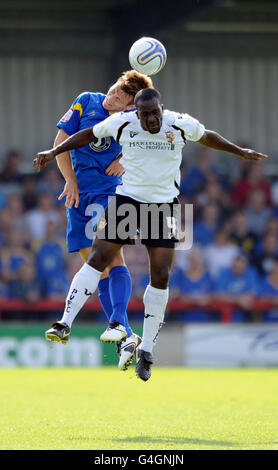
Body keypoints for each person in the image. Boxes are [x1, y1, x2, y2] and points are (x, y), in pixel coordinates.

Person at [34, 88, 267, 381]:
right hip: (127, 201)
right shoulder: (124, 121)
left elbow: (207, 135)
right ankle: (64, 323)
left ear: (161, 109)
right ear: (137, 114)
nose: (151, 119)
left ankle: (146, 350)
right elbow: (88, 135)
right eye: (145, 115)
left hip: (163, 207)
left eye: (154, 113)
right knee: (98, 257)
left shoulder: (178, 122)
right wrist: (55, 151)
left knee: (160, 276)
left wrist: (240, 152)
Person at [42, 70, 153, 371]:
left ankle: (117, 325)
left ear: (129, 107)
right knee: (93, 265)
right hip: (77, 196)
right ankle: (127, 336)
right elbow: (61, 141)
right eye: (115, 88)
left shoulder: (134, 121)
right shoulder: (85, 101)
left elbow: (154, 150)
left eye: (119, 97)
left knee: (110, 255)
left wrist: (126, 160)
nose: (111, 95)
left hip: (110, 194)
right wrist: (70, 181)